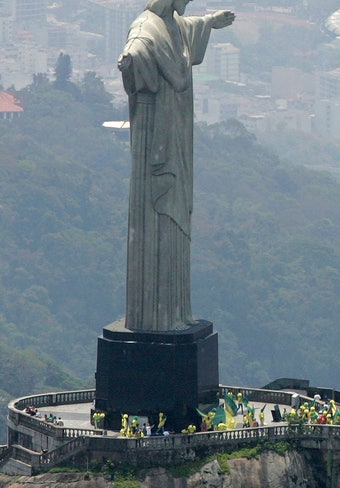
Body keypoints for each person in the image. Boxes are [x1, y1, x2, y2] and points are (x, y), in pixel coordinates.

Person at [118, 0, 235, 331]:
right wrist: (130, 59)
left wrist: (212, 21)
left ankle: (174, 312)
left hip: (178, 131)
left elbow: (189, 28)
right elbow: (137, 47)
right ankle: (152, 315)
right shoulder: (147, 25)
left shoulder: (175, 24)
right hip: (157, 131)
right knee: (155, 219)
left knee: (175, 222)